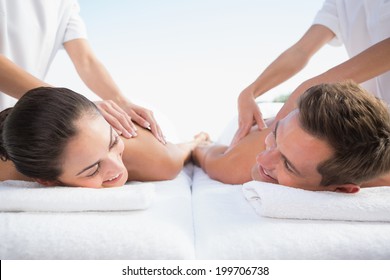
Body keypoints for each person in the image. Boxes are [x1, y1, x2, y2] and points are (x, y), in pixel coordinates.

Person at [0, 0, 165, 143]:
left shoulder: (64, 4)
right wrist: (75, 105)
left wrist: (120, 101)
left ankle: (190, 146)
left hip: (13, 120)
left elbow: (86, 61)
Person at [231, 0, 390, 146]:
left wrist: (311, 87)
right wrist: (250, 92)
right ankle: (204, 147)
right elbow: (301, 51)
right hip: (373, 124)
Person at [193, 81, 390, 193]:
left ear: (342, 189)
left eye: (288, 165)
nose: (261, 159)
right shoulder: (236, 164)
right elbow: (200, 150)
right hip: (262, 118)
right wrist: (201, 141)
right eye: (275, 137)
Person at [0, 87, 207, 188]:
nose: (117, 168)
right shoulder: (14, 168)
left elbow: (183, 150)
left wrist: (197, 141)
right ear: (46, 180)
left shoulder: (158, 161)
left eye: (113, 143)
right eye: (93, 170)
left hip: (129, 118)